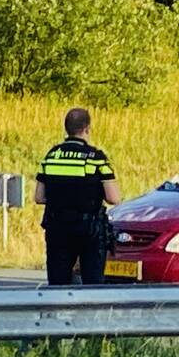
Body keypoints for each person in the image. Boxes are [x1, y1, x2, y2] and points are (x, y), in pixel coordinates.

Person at [35, 108, 121, 286]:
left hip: (57, 227)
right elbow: (113, 198)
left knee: (58, 282)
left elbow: (39, 197)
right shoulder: (95, 157)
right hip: (88, 229)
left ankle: (55, 313)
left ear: (66, 129)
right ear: (87, 128)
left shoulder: (52, 156)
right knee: (92, 282)